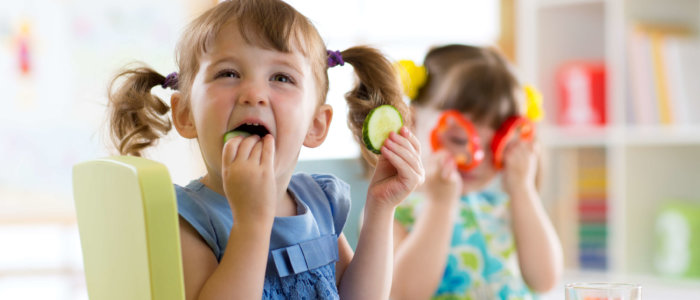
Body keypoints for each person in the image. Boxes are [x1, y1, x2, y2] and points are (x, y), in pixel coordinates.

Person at [106, 0, 425, 299]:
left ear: (315, 125)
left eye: (281, 77)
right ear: (186, 114)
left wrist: (381, 209)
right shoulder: (186, 219)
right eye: (228, 73)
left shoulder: (318, 203)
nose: (254, 93)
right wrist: (251, 222)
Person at [391, 45, 562, 299]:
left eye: (496, 146)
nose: (477, 159)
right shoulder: (394, 206)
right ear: (412, 121)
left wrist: (523, 189)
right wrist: (441, 204)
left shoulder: (509, 201)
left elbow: (544, 280)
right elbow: (402, 294)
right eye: (460, 140)